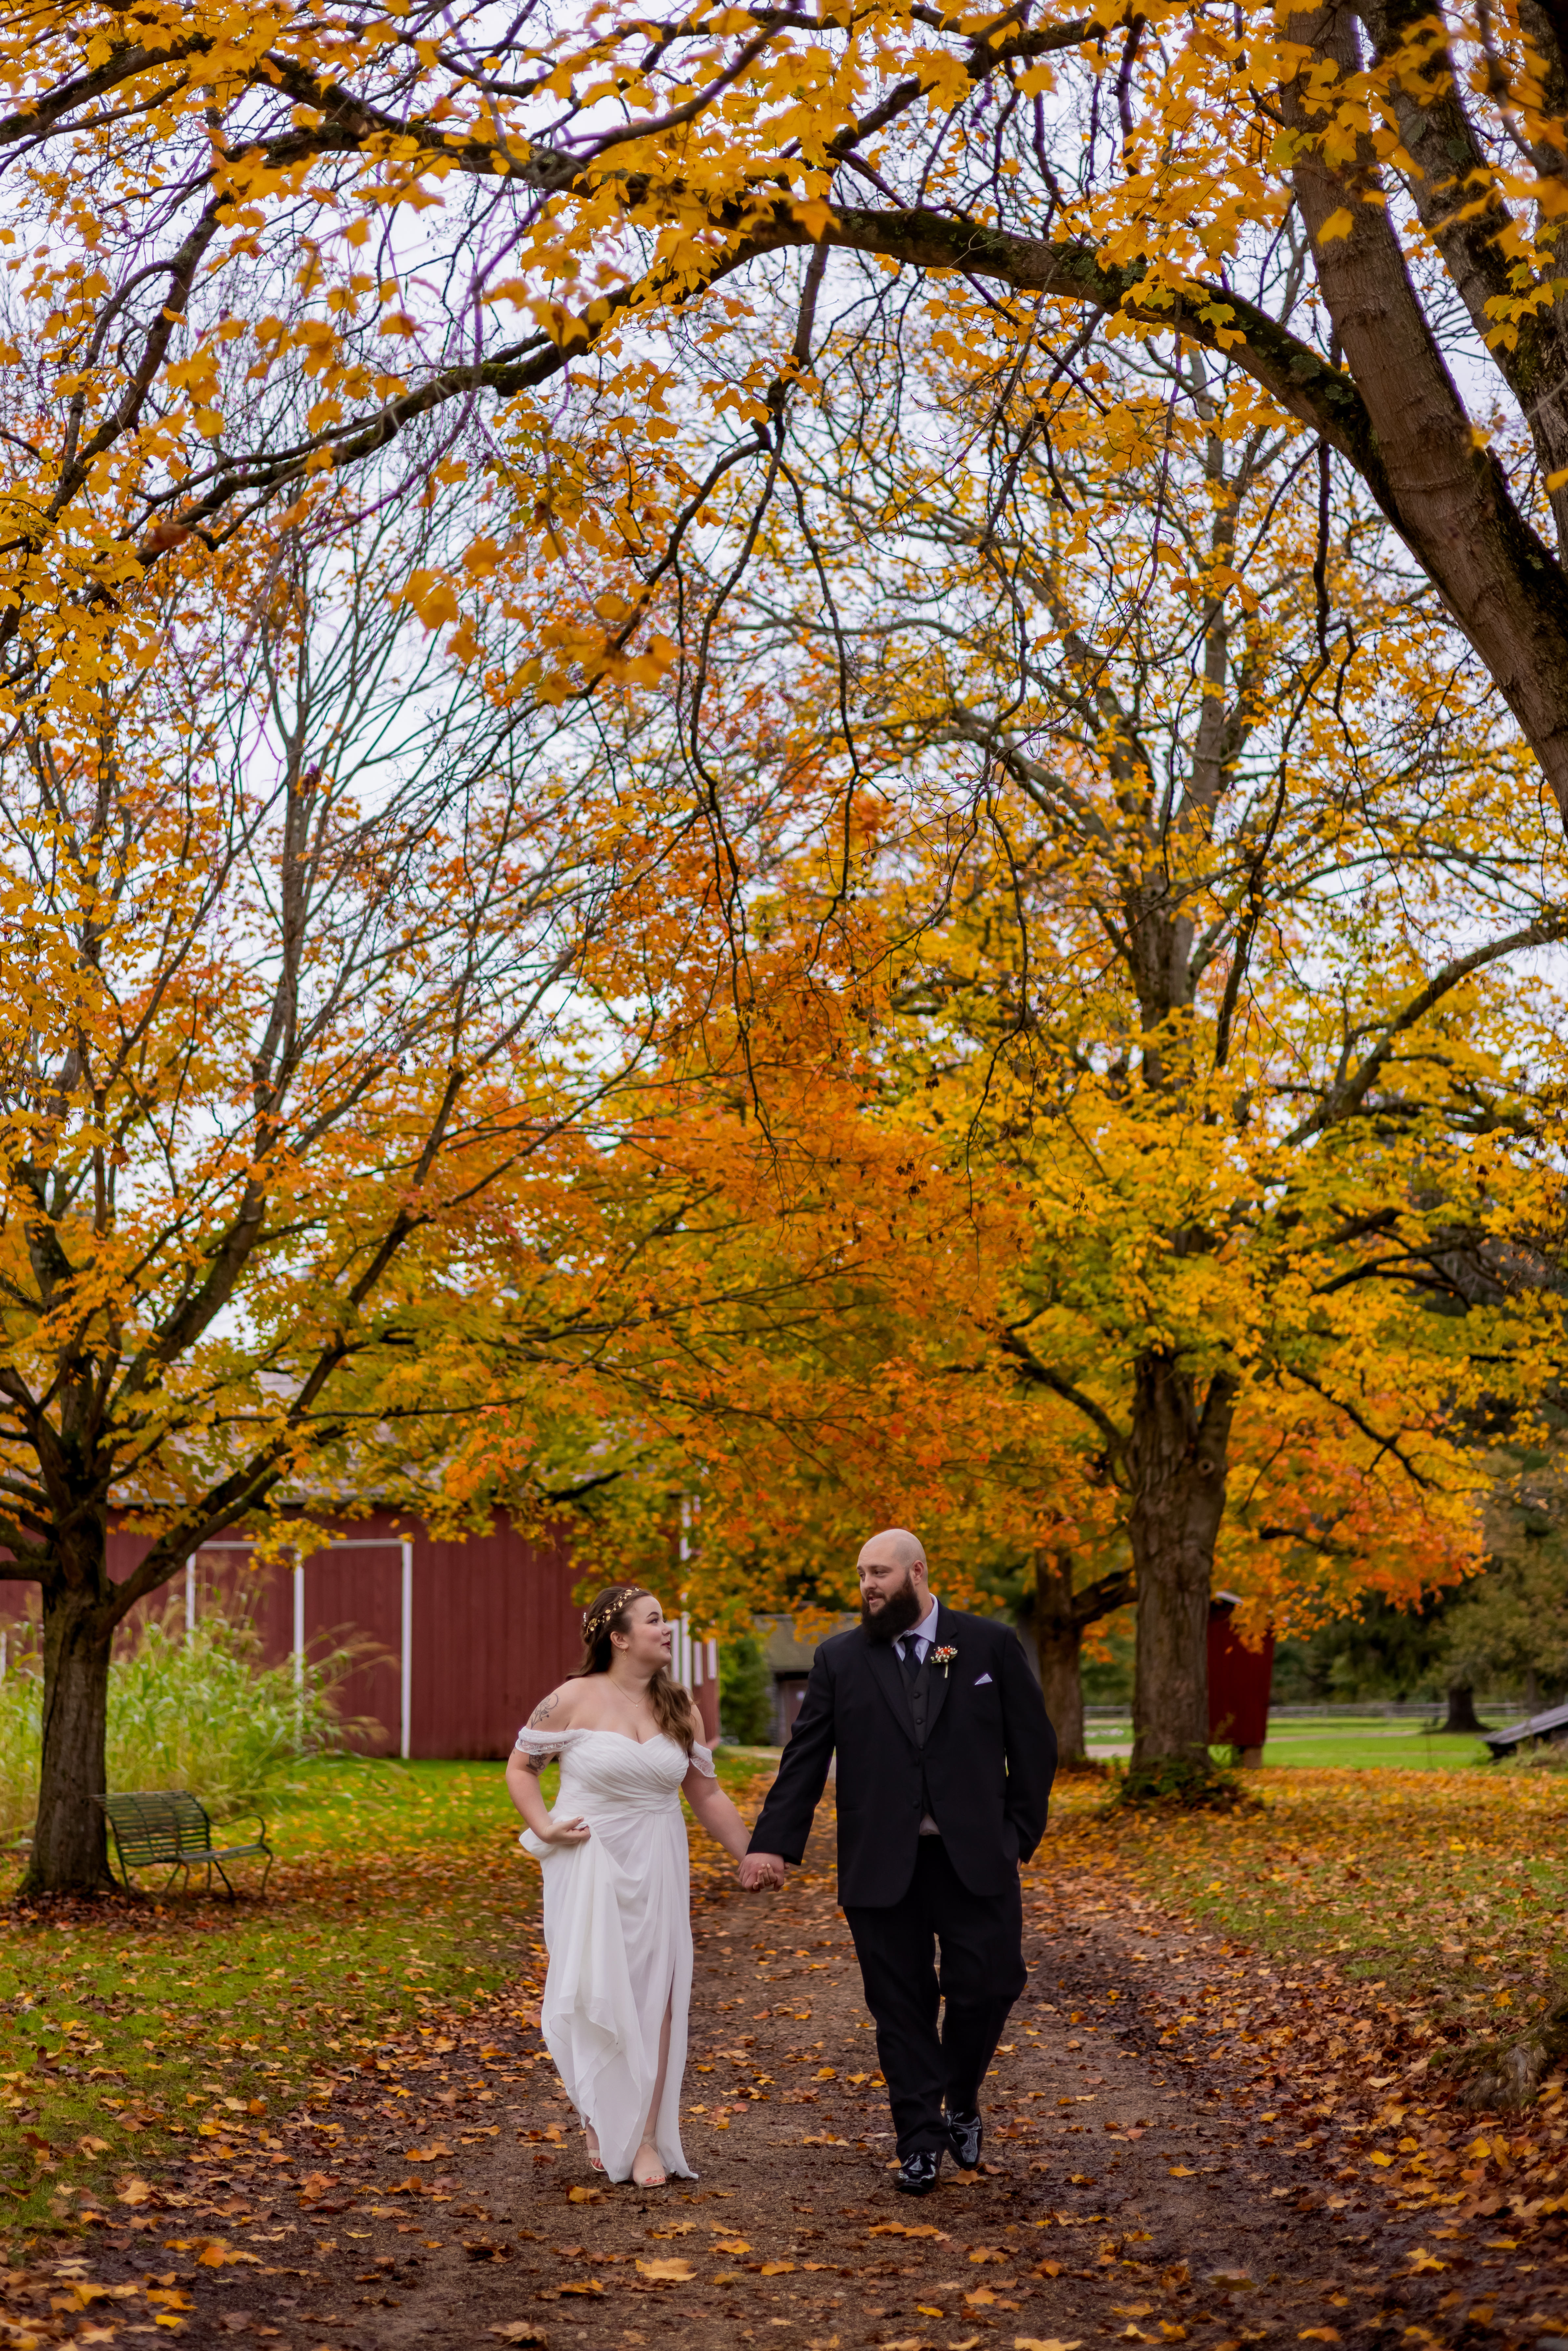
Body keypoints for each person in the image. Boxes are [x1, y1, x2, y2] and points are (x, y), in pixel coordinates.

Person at [740, 1528, 1056, 2195]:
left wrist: (1016, 1836)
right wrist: (771, 1841)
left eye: (879, 1572)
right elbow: (805, 1757)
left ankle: (960, 2097)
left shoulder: (989, 1645)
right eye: (860, 1574)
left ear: (917, 1571)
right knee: (900, 2005)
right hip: (880, 1862)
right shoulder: (839, 1659)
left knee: (990, 1984)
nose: (867, 1586)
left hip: (974, 1859)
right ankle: (918, 2140)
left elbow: (1033, 1746)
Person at [506, 1583, 755, 2188]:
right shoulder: (570, 1699)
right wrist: (544, 1826)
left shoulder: (681, 1709)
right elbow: (521, 1768)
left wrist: (754, 1856)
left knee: (656, 1999)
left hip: (660, 1861)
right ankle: (597, 2110)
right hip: (589, 1862)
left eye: (664, 1621)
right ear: (617, 1638)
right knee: (595, 1989)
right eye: (653, 1621)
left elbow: (706, 1794)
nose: (666, 1630)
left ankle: (645, 2137)